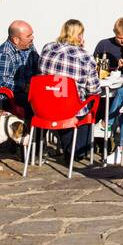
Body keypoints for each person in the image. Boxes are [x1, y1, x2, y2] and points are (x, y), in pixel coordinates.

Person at [38, 19, 99, 161]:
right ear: (79, 36)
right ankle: (77, 150)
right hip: (71, 109)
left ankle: (70, 146)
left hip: (45, 106)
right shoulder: (85, 57)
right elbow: (94, 89)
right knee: (91, 104)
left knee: (64, 101)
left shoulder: (47, 48)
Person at [94, 17, 123, 164]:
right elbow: (95, 65)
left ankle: (112, 134)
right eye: (119, 38)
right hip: (106, 88)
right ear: (114, 33)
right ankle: (117, 145)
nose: (122, 41)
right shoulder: (104, 44)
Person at [0, 20, 39, 114]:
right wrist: (24, 87)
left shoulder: (29, 46)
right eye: (28, 36)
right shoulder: (4, 53)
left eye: (32, 34)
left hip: (25, 92)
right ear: (16, 40)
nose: (32, 38)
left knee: (50, 99)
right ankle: (34, 128)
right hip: (6, 98)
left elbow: (38, 68)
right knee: (38, 104)